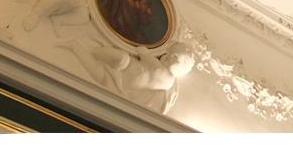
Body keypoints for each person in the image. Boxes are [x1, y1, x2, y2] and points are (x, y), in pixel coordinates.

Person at [57, 40, 195, 115]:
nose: (169, 56)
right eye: (170, 53)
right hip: (125, 67)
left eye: (176, 57)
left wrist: (144, 53)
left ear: (182, 69)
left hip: (123, 78)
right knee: (119, 59)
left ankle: (76, 47)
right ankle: (89, 49)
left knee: (101, 71)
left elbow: (155, 67)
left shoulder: (168, 79)